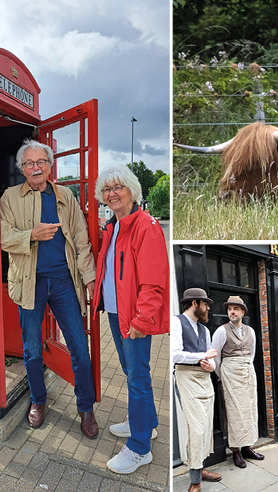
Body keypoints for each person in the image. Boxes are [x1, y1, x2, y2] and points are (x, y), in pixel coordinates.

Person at [0, 139, 98, 438]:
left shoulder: (65, 195)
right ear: (22, 169)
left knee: (80, 349)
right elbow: (4, 237)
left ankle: (86, 407)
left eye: (40, 162)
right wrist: (32, 234)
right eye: (29, 163)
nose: (35, 168)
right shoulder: (10, 197)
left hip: (64, 282)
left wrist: (89, 278)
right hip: (29, 281)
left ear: (50, 165)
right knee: (31, 350)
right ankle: (38, 400)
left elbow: (81, 240)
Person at [92, 164, 169, 474]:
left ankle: (139, 448)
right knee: (131, 372)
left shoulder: (146, 226)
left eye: (118, 187)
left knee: (138, 378)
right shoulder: (114, 226)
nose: (112, 193)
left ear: (132, 190)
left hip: (133, 317)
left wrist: (141, 319)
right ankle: (146, 424)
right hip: (114, 312)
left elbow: (154, 282)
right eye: (106, 189)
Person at [172, 288, 223, 492]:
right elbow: (175, 355)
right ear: (194, 304)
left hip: (204, 379)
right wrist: (201, 355)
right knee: (196, 428)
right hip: (186, 377)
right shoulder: (176, 322)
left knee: (205, 428)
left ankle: (199, 468)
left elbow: (210, 361)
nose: (208, 308)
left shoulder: (205, 330)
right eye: (206, 304)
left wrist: (210, 367)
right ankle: (195, 481)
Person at [211, 296, 264, 468]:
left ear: (242, 311)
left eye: (235, 309)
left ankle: (247, 446)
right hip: (230, 374)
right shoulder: (221, 331)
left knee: (249, 408)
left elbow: (252, 353)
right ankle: (236, 450)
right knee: (234, 411)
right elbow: (216, 357)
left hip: (247, 373)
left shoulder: (251, 331)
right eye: (229, 309)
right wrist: (224, 374)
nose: (231, 312)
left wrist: (245, 367)